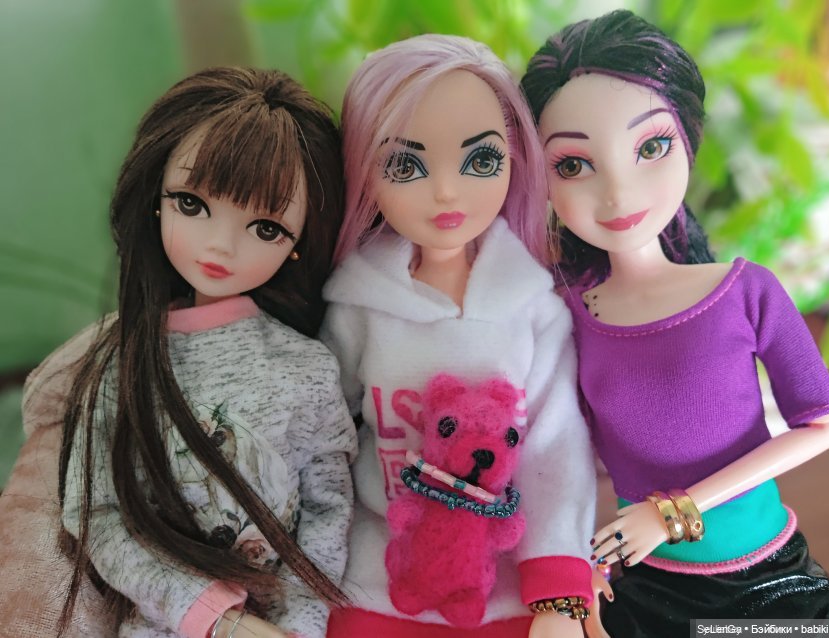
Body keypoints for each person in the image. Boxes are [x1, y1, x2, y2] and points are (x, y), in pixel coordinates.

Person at [521, 10, 829, 637]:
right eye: (574, 165)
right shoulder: (569, 316)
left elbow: (820, 428)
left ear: (687, 142)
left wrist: (673, 512)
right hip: (645, 588)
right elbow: (562, 454)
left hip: (769, 580)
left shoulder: (745, 291)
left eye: (650, 148)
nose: (618, 194)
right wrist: (574, 558)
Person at [59, 66, 358, 638]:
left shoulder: (307, 367)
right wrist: (213, 617)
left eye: (265, 228)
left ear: (299, 243)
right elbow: (94, 513)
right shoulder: (123, 363)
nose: (221, 245)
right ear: (155, 199)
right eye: (192, 204)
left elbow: (328, 509)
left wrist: (300, 622)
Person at [319, 34, 597, 638]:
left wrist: (556, 589)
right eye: (405, 165)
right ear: (363, 169)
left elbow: (553, 448)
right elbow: (323, 441)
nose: (446, 191)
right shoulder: (356, 305)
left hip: (507, 588)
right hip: (376, 578)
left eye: (481, 161)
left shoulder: (532, 309)